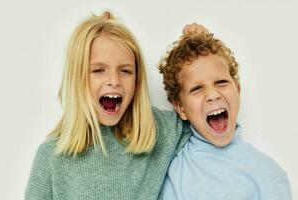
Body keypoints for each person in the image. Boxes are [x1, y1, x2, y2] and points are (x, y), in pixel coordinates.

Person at [25, 12, 192, 200]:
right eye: (98, 70)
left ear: (137, 81)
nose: (114, 80)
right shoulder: (51, 157)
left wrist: (197, 47)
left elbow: (204, 116)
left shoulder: (160, 131)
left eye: (126, 71)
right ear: (77, 78)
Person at [158, 24, 292, 199]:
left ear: (237, 89)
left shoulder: (268, 176)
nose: (212, 95)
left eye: (221, 82)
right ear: (181, 108)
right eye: (197, 88)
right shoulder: (168, 161)